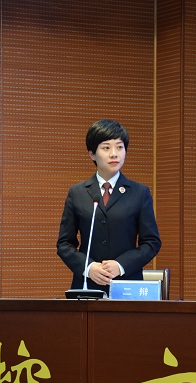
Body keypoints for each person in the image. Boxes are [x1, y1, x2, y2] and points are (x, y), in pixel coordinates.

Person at [57, 119, 162, 295]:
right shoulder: (77, 193)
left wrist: (121, 265)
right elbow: (64, 244)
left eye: (119, 147)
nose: (114, 154)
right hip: (87, 284)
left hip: (127, 285)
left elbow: (151, 242)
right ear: (92, 154)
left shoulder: (139, 192)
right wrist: (88, 267)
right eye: (106, 148)